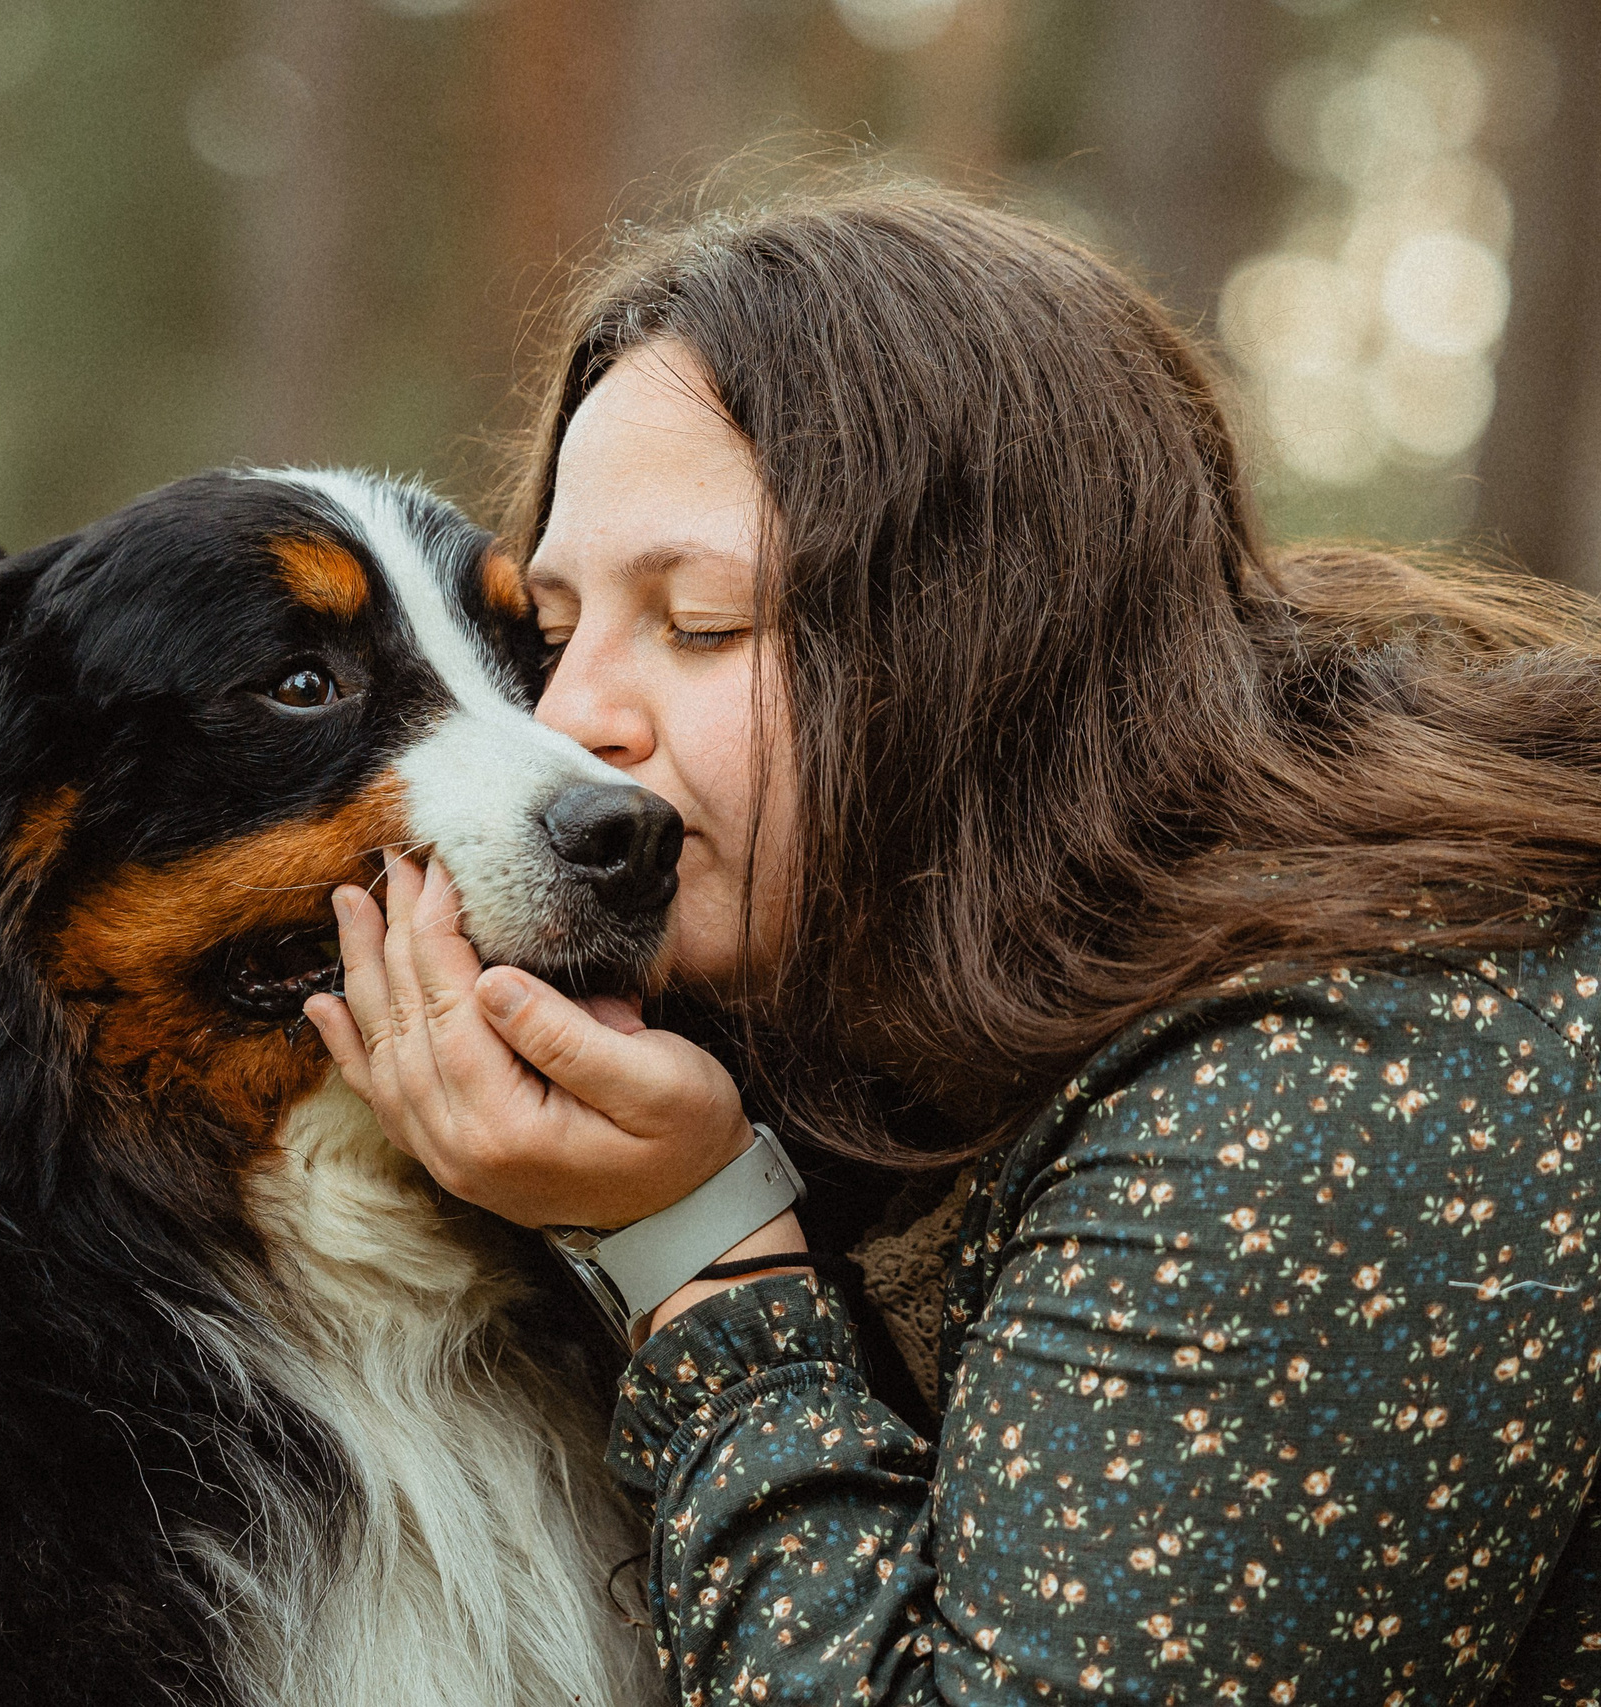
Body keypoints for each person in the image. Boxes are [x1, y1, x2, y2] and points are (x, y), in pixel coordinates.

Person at [303, 186, 1601, 1705]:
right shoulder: (920, 999)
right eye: (558, 632)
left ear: (984, 642)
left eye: (702, 624)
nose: (571, 724)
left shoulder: (1346, 1068)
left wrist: (699, 1254)